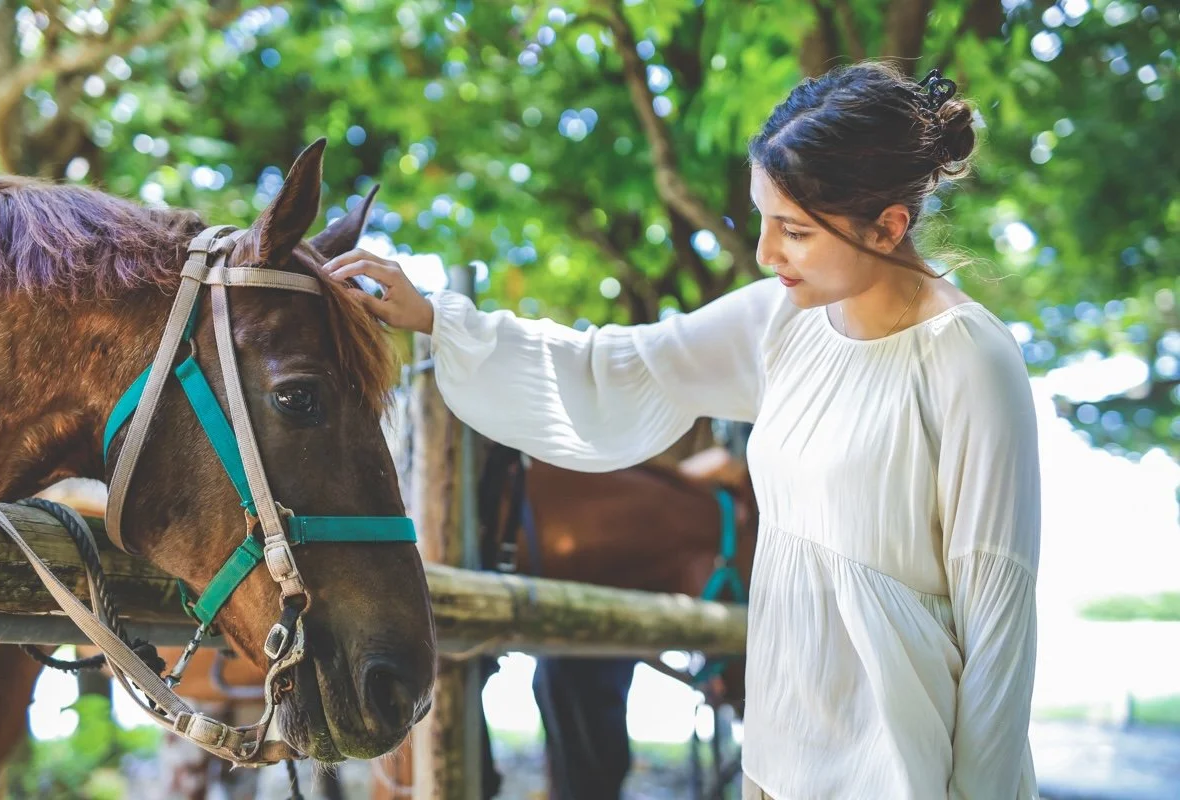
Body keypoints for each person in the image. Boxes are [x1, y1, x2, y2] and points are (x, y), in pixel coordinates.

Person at [322, 61, 1041, 800]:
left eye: (794, 230)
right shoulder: (779, 321)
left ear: (888, 227)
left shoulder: (968, 359)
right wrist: (442, 318)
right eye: (763, 219)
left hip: (904, 762)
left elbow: (997, 609)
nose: (766, 254)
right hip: (784, 748)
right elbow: (619, 364)